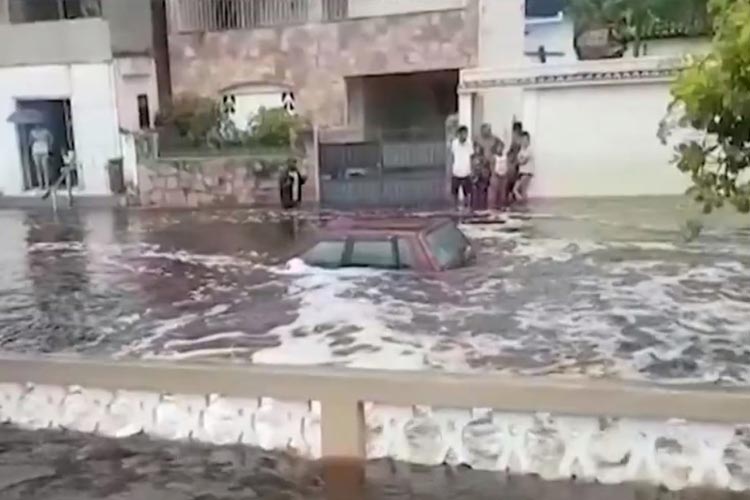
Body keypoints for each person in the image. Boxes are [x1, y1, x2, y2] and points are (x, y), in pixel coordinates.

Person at [449, 125, 473, 208]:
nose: (465, 135)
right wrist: (450, 170)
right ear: (459, 134)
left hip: (466, 172)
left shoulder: (469, 143)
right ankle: (454, 208)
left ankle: (467, 208)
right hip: (456, 172)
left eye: (466, 133)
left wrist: (472, 170)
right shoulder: (454, 143)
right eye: (463, 133)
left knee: (468, 193)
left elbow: (471, 156)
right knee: (454, 193)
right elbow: (451, 156)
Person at [505, 122, 524, 205]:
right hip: (514, 164)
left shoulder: (517, 140)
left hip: (515, 164)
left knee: (513, 183)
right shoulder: (517, 139)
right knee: (512, 183)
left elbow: (513, 151)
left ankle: (512, 199)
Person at [30, 126, 53, 190]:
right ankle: (41, 185)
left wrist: (49, 146)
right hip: (36, 151)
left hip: (44, 151)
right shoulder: (32, 132)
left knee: (45, 169)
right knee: (38, 169)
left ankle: (47, 184)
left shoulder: (46, 131)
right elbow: (30, 142)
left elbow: (51, 139)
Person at [514, 131, 535, 203]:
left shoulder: (529, 150)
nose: (524, 142)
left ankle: (524, 204)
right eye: (522, 140)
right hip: (521, 172)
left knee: (520, 189)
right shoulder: (521, 150)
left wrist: (518, 162)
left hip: (527, 173)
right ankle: (523, 203)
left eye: (526, 140)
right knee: (520, 190)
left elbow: (523, 161)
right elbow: (519, 160)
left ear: (529, 141)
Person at [470, 142, 490, 211]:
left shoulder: (484, 158)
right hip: (475, 178)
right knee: (474, 193)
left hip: (483, 178)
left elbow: (487, 168)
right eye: (475, 148)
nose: (476, 149)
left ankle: (483, 207)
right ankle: (474, 208)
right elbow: (471, 167)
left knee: (483, 193)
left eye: (478, 148)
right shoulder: (472, 157)